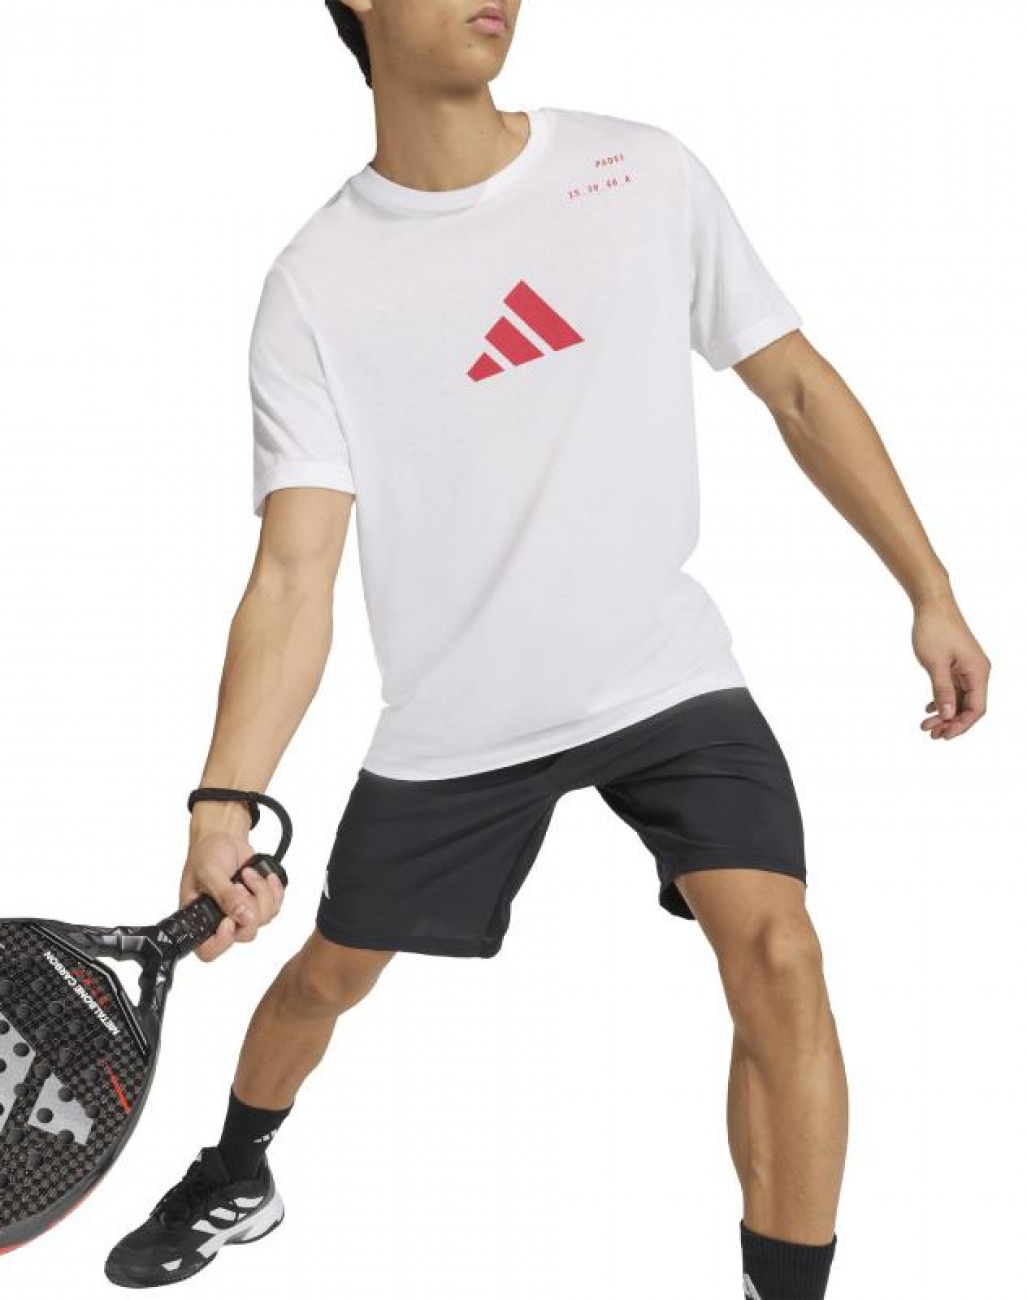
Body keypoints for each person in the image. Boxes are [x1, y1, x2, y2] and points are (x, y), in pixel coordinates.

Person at [104, 3, 992, 1295]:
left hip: (665, 674)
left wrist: (931, 589)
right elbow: (295, 573)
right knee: (325, 981)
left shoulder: (640, 172)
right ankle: (239, 1170)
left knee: (780, 952)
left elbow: (796, 386)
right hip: (461, 721)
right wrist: (223, 800)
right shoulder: (316, 283)